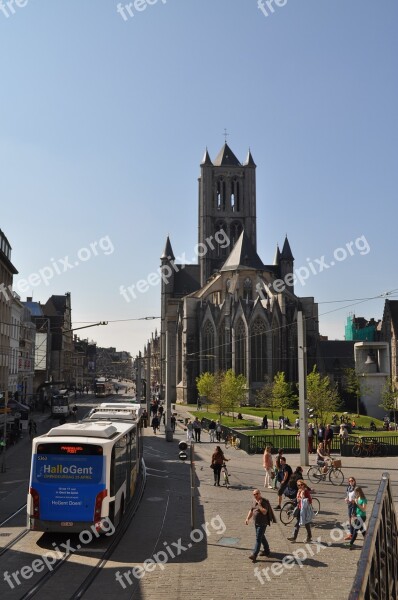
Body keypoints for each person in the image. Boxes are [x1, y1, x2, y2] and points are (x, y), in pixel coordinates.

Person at [245, 489, 276, 562]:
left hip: (263, 523)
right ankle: (267, 551)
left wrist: (259, 505)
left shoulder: (264, 501)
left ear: (260, 493)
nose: (255, 495)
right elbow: (251, 510)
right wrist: (247, 518)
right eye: (254, 494)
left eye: (257, 494)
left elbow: (265, 512)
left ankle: (254, 555)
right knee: (261, 537)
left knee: (258, 538)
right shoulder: (254, 501)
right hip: (256, 523)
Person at [344, 477, 357, 541]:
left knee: (353, 520)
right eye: (349, 481)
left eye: (352, 481)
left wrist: (354, 500)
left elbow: (358, 497)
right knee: (349, 519)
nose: (350, 482)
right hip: (349, 505)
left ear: (354, 481)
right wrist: (346, 499)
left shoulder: (356, 489)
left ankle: (352, 534)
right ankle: (351, 534)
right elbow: (347, 495)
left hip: (354, 505)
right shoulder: (348, 488)